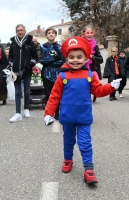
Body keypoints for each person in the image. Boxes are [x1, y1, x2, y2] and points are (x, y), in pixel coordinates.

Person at [44, 36, 121, 184]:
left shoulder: (90, 75)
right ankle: (68, 160)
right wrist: (48, 112)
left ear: (86, 59)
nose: (75, 60)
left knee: (85, 142)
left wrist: (111, 87)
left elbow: (98, 91)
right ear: (66, 58)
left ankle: (89, 168)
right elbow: (54, 96)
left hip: (84, 117)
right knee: (68, 140)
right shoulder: (62, 76)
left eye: (79, 57)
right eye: (71, 57)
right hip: (67, 117)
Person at [8, 24, 38, 122]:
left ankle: (26, 109)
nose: (20, 32)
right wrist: (11, 64)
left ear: (25, 31)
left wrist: (31, 64)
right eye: (18, 30)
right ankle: (17, 113)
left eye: (21, 30)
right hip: (16, 71)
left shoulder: (30, 42)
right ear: (16, 32)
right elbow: (10, 57)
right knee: (17, 92)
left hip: (27, 70)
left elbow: (35, 57)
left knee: (26, 91)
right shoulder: (13, 43)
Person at [39, 27, 65, 120]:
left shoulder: (60, 47)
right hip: (46, 74)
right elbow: (42, 60)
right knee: (48, 94)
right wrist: (54, 58)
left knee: (57, 94)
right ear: (46, 35)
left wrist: (50, 61)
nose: (51, 34)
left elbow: (62, 61)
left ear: (55, 35)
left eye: (52, 33)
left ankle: (57, 113)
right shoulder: (42, 47)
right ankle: (49, 113)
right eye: (49, 33)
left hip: (57, 74)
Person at [81, 25, 103, 102]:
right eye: (87, 33)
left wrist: (92, 56)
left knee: (90, 87)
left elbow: (101, 60)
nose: (89, 34)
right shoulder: (80, 44)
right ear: (83, 33)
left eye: (91, 32)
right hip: (81, 70)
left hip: (92, 70)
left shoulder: (95, 46)